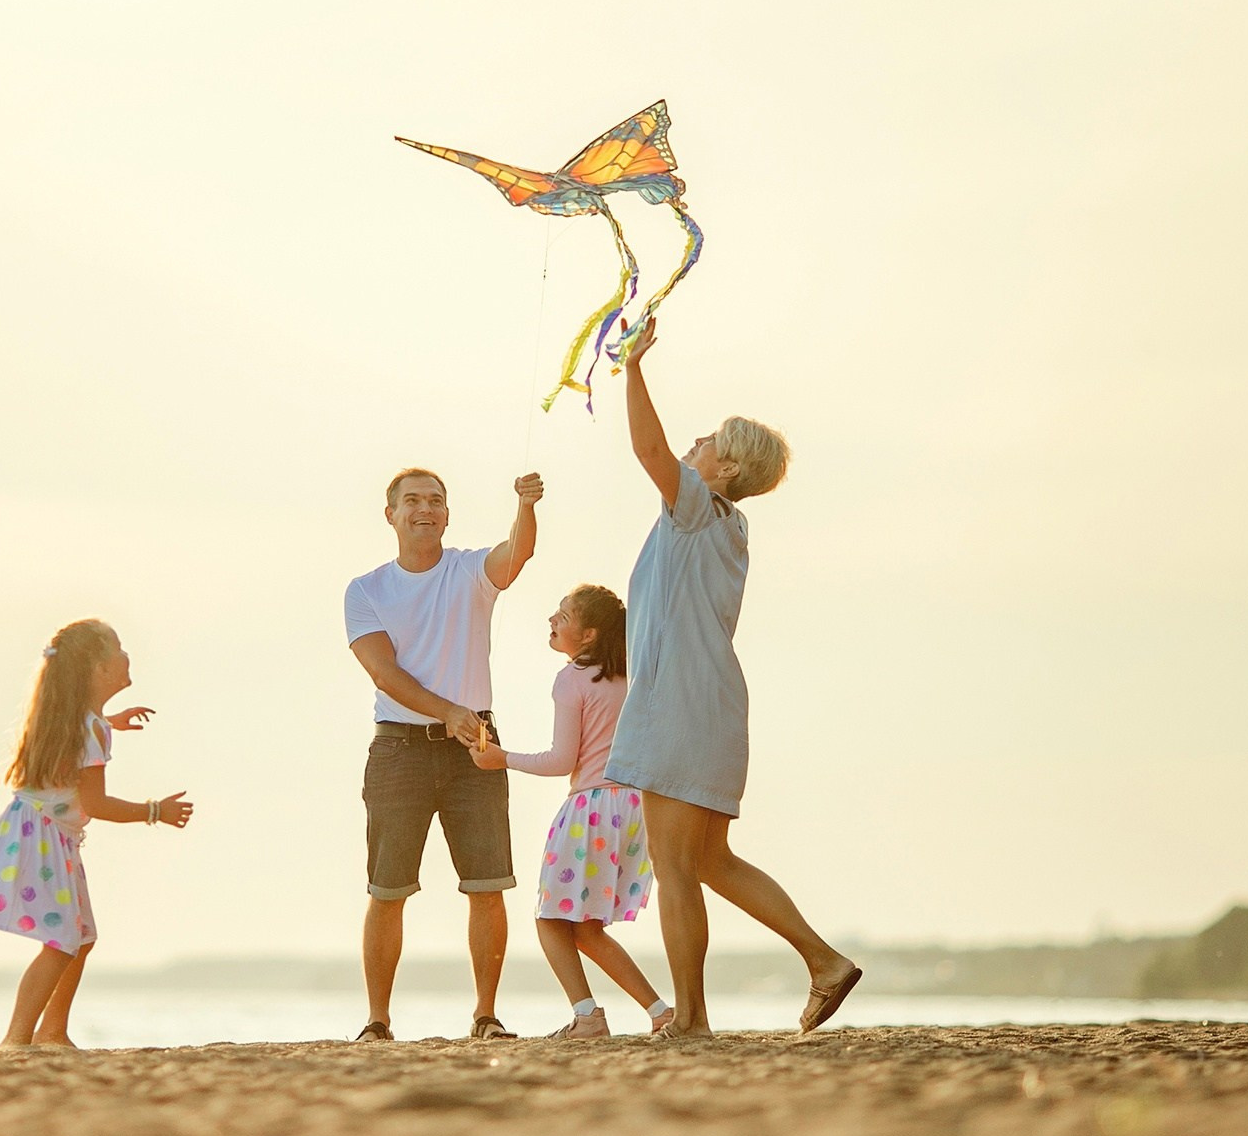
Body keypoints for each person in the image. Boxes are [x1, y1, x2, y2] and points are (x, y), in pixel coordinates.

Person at [602, 321, 861, 1036]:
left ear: (724, 470)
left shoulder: (696, 510)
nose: (696, 442)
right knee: (710, 860)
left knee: (677, 868)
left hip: (682, 709)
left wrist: (632, 369)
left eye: (710, 439)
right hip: (708, 707)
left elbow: (648, 449)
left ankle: (689, 1018)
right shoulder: (723, 524)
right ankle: (826, 963)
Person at [344, 466, 542, 1041]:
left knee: (487, 885)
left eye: (435, 501)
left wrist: (526, 506)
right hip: (397, 749)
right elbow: (384, 671)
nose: (424, 509)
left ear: (448, 515)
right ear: (391, 515)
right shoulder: (366, 590)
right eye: (412, 501)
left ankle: (486, 1015)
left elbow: (518, 554)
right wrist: (447, 712)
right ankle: (378, 1021)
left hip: (475, 745)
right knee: (388, 890)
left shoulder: (469, 570)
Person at [0, 618, 194, 1049]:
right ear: (98, 668)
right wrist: (156, 811)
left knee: (79, 938)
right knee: (62, 941)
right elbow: (95, 804)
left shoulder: (83, 722)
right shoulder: (89, 730)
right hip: (42, 840)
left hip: (40, 834)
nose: (127, 656)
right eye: (119, 648)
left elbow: (84, 734)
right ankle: (17, 1038)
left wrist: (110, 721)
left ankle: (53, 1032)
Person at [471, 582, 673, 1039]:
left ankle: (587, 1016)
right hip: (635, 807)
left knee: (550, 918)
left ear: (588, 635)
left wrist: (502, 759)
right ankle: (660, 1012)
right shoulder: (630, 676)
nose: (552, 620)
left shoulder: (572, 679)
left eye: (563, 615)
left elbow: (562, 761)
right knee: (586, 927)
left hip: (592, 808)